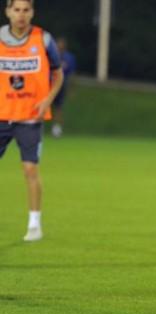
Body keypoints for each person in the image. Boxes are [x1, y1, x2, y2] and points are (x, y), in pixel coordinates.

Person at [0, 0, 64, 241]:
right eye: (16, 9)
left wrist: (47, 100)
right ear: (7, 12)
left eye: (26, 10)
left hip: (30, 117)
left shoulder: (43, 40)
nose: (21, 15)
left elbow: (57, 73)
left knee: (30, 169)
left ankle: (34, 224)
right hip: (2, 114)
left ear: (32, 13)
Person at [51, 37, 76, 138]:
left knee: (59, 107)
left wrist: (71, 89)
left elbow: (71, 74)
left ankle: (57, 128)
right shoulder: (51, 56)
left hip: (62, 84)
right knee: (46, 105)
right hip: (50, 83)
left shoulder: (69, 58)